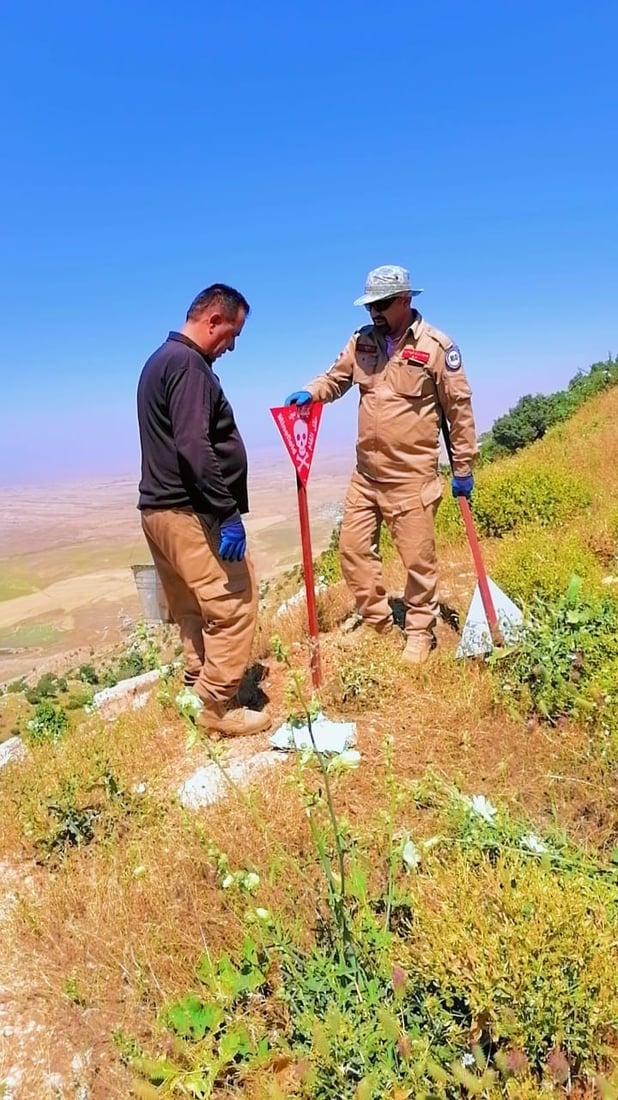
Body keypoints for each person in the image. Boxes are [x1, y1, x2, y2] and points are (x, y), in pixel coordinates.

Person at [284, 265, 478, 665]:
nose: (375, 311)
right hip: (366, 477)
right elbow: (335, 378)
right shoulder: (362, 342)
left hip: (411, 478)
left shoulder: (437, 347)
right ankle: (379, 624)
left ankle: (420, 632)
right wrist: (311, 392)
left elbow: (458, 410)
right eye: (370, 304)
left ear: (406, 300)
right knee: (353, 553)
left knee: (418, 563)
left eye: (383, 304)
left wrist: (463, 467)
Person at [137, 283, 271, 736]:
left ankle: (196, 682)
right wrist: (227, 512)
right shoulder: (190, 366)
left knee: (192, 606)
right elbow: (194, 445)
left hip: (156, 512)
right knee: (234, 600)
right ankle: (217, 708)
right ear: (212, 319)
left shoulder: (159, 361)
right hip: (188, 511)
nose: (231, 345)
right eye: (230, 333)